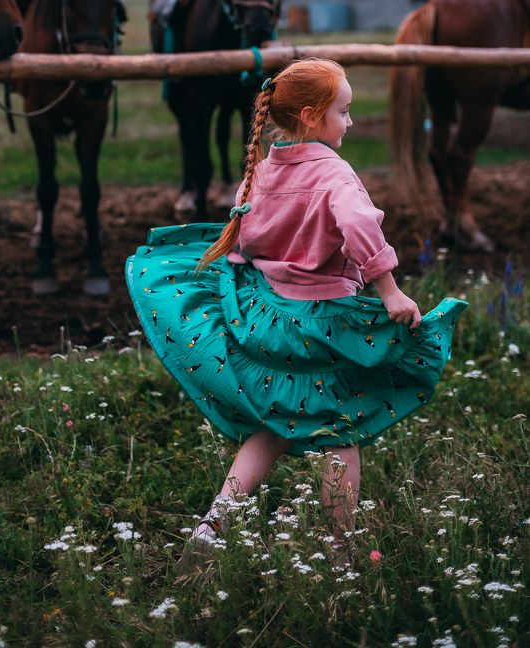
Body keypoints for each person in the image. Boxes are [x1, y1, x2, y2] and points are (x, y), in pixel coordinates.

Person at [125, 58, 466, 561]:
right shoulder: (334, 175)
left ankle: (212, 527)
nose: (349, 122)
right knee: (339, 428)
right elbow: (359, 227)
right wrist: (390, 291)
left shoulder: (262, 169)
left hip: (268, 320)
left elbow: (250, 240)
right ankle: (341, 551)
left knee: (276, 421)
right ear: (311, 115)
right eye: (344, 112)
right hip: (322, 326)